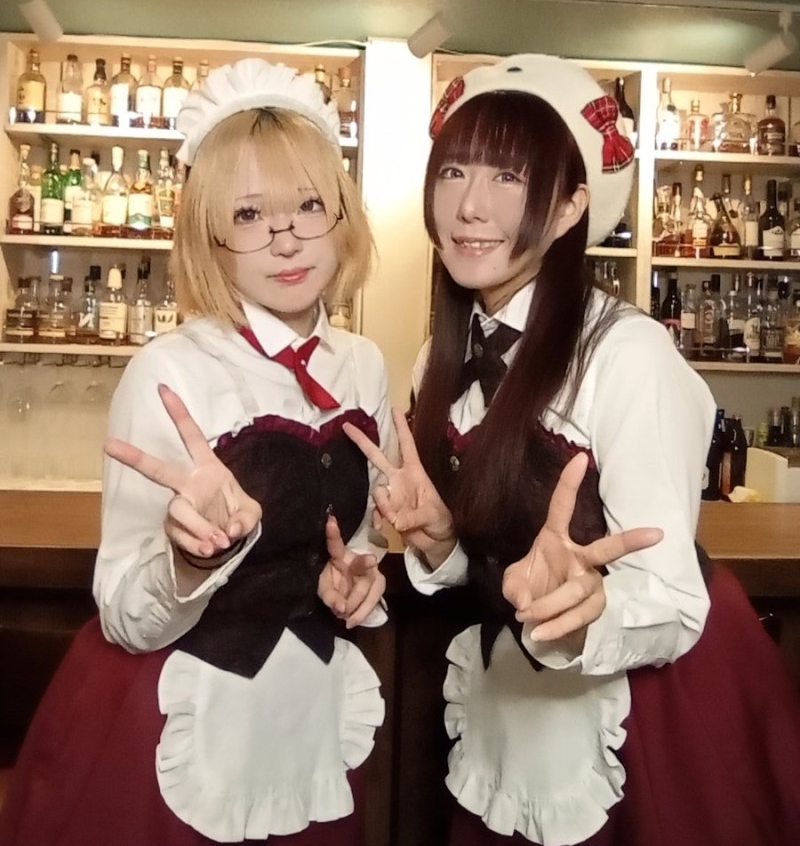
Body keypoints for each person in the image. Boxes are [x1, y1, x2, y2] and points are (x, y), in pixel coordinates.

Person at [345, 54, 800, 846]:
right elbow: (491, 569)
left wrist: (587, 613)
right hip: (512, 701)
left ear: (567, 209)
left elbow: (671, 597)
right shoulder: (436, 361)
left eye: (508, 177)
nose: (470, 206)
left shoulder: (627, 356)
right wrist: (444, 543)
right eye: (453, 171)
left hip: (649, 715)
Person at [0, 58, 394, 846]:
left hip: (306, 720)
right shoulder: (171, 371)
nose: (285, 236)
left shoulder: (364, 365)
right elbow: (123, 611)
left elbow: (356, 538)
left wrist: (360, 573)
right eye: (248, 214)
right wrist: (187, 561)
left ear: (342, 216)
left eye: (308, 205)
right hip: (174, 721)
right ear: (208, 236)